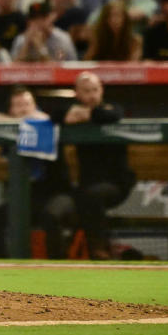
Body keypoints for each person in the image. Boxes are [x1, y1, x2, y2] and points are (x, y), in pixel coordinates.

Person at [0, 86, 74, 259]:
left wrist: (27, 120)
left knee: (51, 216)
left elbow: (45, 118)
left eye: (27, 104)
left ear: (35, 106)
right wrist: (18, 121)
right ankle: (0, 265)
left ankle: (58, 265)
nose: (23, 109)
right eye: (18, 105)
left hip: (57, 194)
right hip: (27, 198)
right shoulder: (11, 129)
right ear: (11, 110)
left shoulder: (47, 124)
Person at [54, 72, 135, 260]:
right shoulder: (71, 109)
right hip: (85, 185)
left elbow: (113, 114)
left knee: (90, 196)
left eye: (95, 90)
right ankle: (65, 255)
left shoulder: (111, 107)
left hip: (116, 183)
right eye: (86, 91)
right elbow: (56, 115)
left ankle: (99, 250)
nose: (91, 95)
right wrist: (72, 114)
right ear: (77, 94)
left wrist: (85, 114)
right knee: (70, 202)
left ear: (101, 90)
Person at [10, 6, 78, 63]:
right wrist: (26, 44)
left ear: (50, 18)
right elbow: (13, 69)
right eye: (34, 19)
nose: (38, 22)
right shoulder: (21, 39)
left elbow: (59, 67)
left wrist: (40, 48)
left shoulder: (61, 39)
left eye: (43, 18)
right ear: (28, 22)